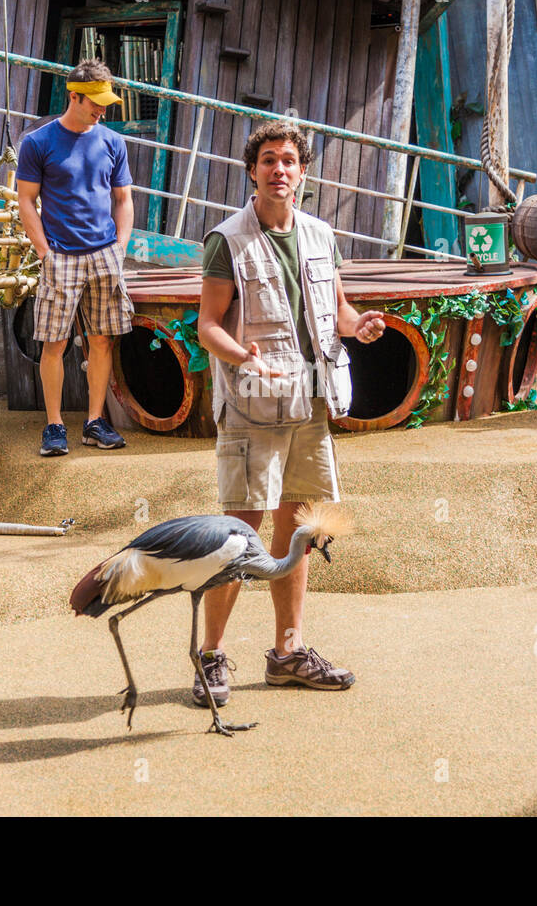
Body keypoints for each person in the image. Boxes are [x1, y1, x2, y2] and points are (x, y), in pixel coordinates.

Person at [193, 121, 386, 708]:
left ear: (303, 172)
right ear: (252, 171)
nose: (280, 169)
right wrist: (242, 354)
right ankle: (211, 657)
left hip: (311, 406)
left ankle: (289, 653)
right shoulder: (226, 240)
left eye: (290, 161)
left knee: (300, 528)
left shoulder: (321, 235)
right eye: (269, 160)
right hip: (252, 408)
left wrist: (359, 326)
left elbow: (338, 308)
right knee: (238, 535)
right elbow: (206, 326)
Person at [16, 58, 134, 455]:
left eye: (105, 101)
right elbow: (27, 202)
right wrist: (45, 253)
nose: (102, 109)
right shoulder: (38, 142)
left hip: (105, 255)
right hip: (60, 257)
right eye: (95, 102)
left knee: (101, 340)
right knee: (55, 342)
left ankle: (94, 422)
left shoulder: (113, 142)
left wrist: (120, 246)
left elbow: (123, 198)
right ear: (74, 96)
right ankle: (53, 426)